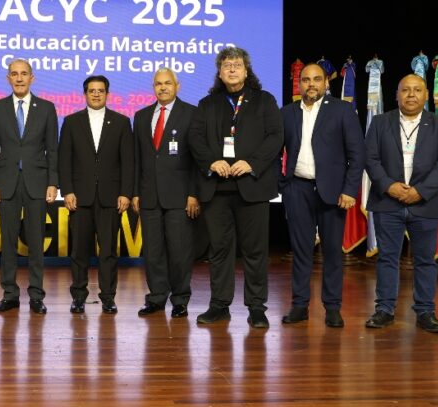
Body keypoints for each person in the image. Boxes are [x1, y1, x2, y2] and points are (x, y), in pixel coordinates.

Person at [188, 46, 283, 328]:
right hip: (216, 188)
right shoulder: (208, 104)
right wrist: (212, 162)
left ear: (246, 70)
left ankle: (256, 307)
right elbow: (195, 140)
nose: (231, 69)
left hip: (252, 186)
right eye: (226, 65)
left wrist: (251, 163)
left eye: (237, 64)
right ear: (219, 72)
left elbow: (275, 137)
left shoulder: (264, 100)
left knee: (255, 251)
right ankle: (219, 305)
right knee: (219, 250)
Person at [363, 74, 438, 333]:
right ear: (397, 94)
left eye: (417, 90)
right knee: (387, 259)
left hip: (425, 202)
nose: (411, 95)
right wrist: (389, 185)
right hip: (387, 201)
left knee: (426, 260)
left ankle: (426, 311)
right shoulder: (381, 122)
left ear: (426, 95)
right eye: (406, 90)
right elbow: (370, 158)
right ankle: (384, 309)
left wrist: (421, 191)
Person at [278, 63, 365, 328]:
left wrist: (350, 190)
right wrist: (282, 184)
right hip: (298, 189)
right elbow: (273, 152)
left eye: (317, 79)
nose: (311, 84)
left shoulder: (342, 110)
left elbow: (356, 154)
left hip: (333, 192)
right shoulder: (287, 113)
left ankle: (332, 307)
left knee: (332, 253)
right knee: (301, 251)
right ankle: (300, 305)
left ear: (327, 82)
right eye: (306, 80)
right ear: (299, 84)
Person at [0, 59, 58, 314]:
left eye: (23, 74)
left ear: (32, 78)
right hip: (5, 184)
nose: (19, 78)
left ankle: (37, 295)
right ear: (8, 78)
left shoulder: (47, 108)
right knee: (8, 242)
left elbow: (53, 150)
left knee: (36, 242)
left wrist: (53, 182)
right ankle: (10, 294)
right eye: (14, 74)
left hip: (37, 183)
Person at [58, 75, 134, 314]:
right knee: (79, 251)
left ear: (107, 94)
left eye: (101, 90)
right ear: (85, 94)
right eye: (92, 90)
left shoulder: (121, 122)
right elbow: (64, 160)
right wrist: (67, 190)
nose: (96, 94)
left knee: (109, 251)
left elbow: (128, 163)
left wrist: (125, 193)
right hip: (79, 197)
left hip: (111, 198)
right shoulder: (71, 122)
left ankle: (108, 297)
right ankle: (79, 296)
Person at [131, 68, 200, 318]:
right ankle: (157, 297)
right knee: (153, 251)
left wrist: (194, 194)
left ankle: (180, 299)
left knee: (179, 251)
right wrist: (135, 192)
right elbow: (137, 159)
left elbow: (197, 160)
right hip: (149, 195)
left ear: (177, 86)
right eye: (158, 84)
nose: (163, 88)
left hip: (180, 197)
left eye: (167, 83)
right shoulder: (141, 116)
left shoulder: (191, 114)